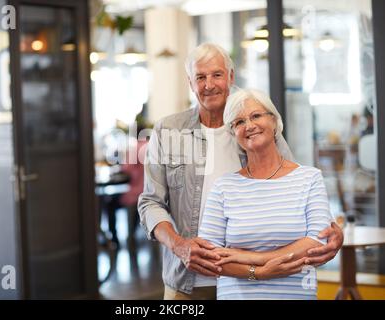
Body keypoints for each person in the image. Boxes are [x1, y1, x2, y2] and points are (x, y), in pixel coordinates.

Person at [138, 43, 344, 300]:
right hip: (187, 280)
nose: (209, 84)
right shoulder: (168, 130)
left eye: (217, 75)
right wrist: (179, 245)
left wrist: (329, 232)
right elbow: (150, 202)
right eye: (200, 77)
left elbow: (292, 185)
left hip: (256, 284)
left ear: (231, 76)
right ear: (190, 83)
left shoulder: (255, 127)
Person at [198, 88, 332, 299]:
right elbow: (209, 256)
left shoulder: (309, 178)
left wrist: (247, 256)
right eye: (239, 122)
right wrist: (258, 273)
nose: (249, 126)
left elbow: (316, 243)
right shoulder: (224, 187)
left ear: (274, 121)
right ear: (233, 133)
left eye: (256, 116)